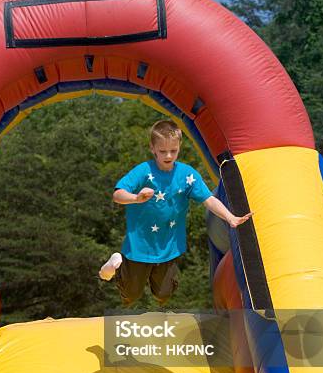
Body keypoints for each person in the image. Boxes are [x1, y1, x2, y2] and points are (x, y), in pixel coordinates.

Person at [99, 119, 252, 306]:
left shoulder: (187, 175)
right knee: (130, 294)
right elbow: (118, 194)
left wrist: (230, 218)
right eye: (162, 151)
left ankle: (145, 276)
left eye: (173, 150)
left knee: (163, 294)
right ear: (152, 148)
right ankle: (119, 264)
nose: (168, 155)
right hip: (140, 245)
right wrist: (135, 198)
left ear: (180, 146)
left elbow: (209, 199)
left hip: (168, 246)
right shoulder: (144, 171)